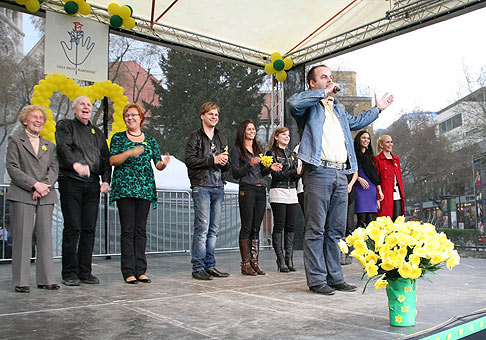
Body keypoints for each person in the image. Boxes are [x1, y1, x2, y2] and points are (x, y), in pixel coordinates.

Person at [288, 64, 393, 295]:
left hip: (340, 173)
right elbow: (294, 103)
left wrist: (378, 109)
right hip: (318, 171)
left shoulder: (338, 110)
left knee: (336, 230)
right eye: (323, 77)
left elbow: (356, 122)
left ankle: (334, 277)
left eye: (331, 77)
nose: (329, 80)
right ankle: (316, 280)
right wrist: (322, 93)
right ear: (312, 84)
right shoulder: (309, 108)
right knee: (316, 229)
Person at [109, 103, 170, 284]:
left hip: (144, 189)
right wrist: (129, 152)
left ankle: (141, 270)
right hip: (125, 189)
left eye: (134, 115)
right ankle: (128, 271)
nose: (130, 118)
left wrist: (164, 164)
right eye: (127, 115)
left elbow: (157, 164)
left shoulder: (150, 140)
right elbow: (112, 160)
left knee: (140, 230)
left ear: (141, 118)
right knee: (128, 230)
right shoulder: (118, 138)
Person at [56, 96, 111, 286]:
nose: (86, 107)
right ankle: (69, 272)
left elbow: (105, 158)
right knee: (73, 226)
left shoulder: (97, 132)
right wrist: (76, 164)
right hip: (71, 180)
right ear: (74, 109)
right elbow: (63, 148)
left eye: (89, 105)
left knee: (89, 228)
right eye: (82, 104)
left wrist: (105, 180)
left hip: (92, 184)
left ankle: (85, 271)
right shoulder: (65, 126)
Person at [6, 105, 59, 293]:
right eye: (34, 117)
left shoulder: (49, 145)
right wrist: (33, 185)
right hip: (22, 194)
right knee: (22, 236)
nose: (38, 120)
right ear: (25, 121)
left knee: (44, 236)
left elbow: (54, 169)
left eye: (41, 118)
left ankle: (46, 279)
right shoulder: (15, 140)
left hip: (46, 195)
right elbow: (13, 168)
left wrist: (44, 185)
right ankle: (21, 281)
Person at [185, 102, 231, 280]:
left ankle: (210, 266)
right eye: (211, 114)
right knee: (202, 228)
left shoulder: (221, 138)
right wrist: (213, 160)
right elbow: (190, 160)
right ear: (202, 116)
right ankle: (198, 267)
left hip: (218, 186)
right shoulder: (195, 137)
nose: (214, 117)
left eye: (216, 114)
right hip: (201, 186)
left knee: (214, 229)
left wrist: (224, 162)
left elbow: (225, 166)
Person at [230, 119, 281, 276]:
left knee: (256, 227)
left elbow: (261, 172)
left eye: (253, 129)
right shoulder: (237, 150)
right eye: (249, 129)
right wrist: (249, 163)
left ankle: (255, 262)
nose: (252, 131)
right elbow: (236, 173)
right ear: (243, 131)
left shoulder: (259, 149)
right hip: (247, 188)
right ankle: (245, 264)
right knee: (247, 226)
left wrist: (270, 168)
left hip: (260, 188)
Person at [266, 127, 302, 272]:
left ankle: (289, 258)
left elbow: (293, 175)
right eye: (283, 134)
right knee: (279, 225)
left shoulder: (292, 154)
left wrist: (298, 173)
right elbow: (277, 176)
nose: (287, 137)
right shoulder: (271, 153)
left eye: (288, 135)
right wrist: (294, 171)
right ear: (276, 136)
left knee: (291, 226)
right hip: (278, 191)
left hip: (292, 191)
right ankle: (280, 259)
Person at [354, 130, 384, 228]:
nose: (366, 140)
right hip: (359, 187)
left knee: (370, 220)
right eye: (363, 138)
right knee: (361, 217)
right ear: (358, 139)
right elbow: (349, 170)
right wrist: (358, 178)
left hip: (371, 189)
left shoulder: (370, 156)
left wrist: (379, 191)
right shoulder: (354, 154)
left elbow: (374, 175)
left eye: (368, 138)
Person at [375, 135, 405, 220]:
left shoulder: (396, 160)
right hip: (385, 197)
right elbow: (376, 180)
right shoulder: (377, 159)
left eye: (391, 142)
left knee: (398, 221)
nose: (390, 144)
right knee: (386, 222)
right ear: (381, 145)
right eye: (387, 142)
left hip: (397, 196)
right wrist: (377, 197)